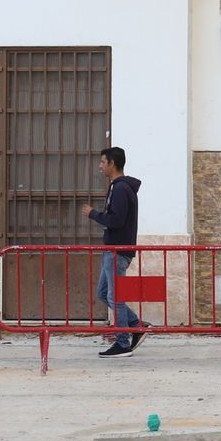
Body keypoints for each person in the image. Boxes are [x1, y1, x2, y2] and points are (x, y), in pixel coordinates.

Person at [80, 146, 148, 359]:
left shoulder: (120, 189)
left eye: (102, 162)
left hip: (118, 250)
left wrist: (93, 214)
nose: (100, 166)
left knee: (115, 295)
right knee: (104, 292)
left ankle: (122, 342)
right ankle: (136, 324)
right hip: (113, 250)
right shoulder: (119, 187)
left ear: (112, 163)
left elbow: (116, 220)